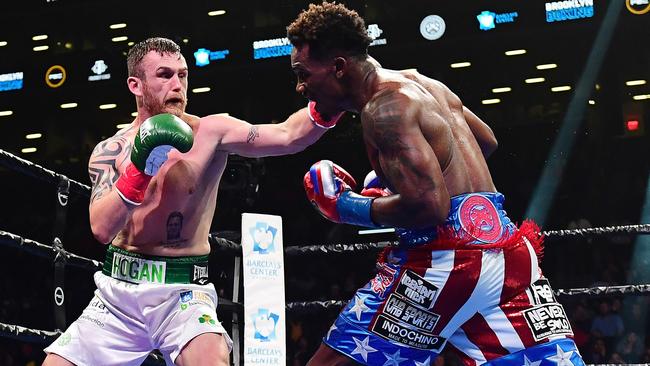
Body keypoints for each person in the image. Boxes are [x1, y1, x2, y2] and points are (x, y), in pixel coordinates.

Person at [288, 3, 585, 365]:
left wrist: (347, 207)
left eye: (303, 74)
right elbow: (486, 141)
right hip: (508, 251)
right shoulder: (421, 82)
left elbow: (431, 206)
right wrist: (401, 182)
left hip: (446, 260)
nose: (301, 87)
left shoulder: (383, 109)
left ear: (338, 67)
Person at [42, 37, 341, 366]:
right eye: (164, 75)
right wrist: (140, 168)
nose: (177, 85)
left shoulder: (211, 132)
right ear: (135, 85)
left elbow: (287, 136)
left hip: (184, 294)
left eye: (182, 75)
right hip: (118, 296)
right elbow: (101, 228)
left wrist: (332, 101)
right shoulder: (111, 151)